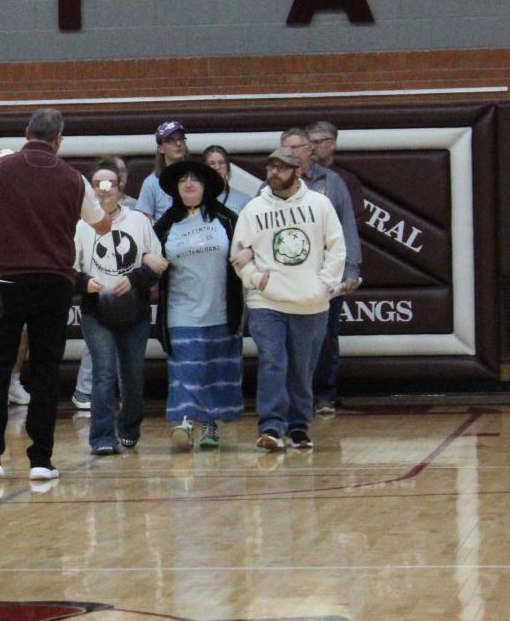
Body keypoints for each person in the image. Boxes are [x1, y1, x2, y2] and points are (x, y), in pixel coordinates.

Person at [0, 108, 108, 482]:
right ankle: (41, 459)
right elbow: (103, 226)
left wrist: (0, 232)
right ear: (59, 140)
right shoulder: (73, 178)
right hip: (55, 284)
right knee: (45, 370)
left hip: (6, 280)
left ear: (26, 132)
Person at [230, 144, 345, 451]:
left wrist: (324, 285)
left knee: (301, 367)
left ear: (298, 172)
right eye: (270, 167)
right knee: (272, 362)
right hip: (266, 302)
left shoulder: (319, 205)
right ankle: (270, 426)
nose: (273, 173)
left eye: (280, 168)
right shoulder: (255, 209)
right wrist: (256, 279)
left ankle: (298, 426)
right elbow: (239, 254)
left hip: (311, 302)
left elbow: (337, 247)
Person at [148, 157, 245, 451]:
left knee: (214, 371)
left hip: (221, 310)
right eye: (182, 180)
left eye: (195, 179)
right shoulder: (164, 227)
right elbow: (144, 252)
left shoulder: (227, 220)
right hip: (181, 312)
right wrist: (146, 258)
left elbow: (251, 245)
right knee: (186, 368)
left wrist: (249, 254)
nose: (188, 184)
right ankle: (185, 422)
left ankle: (211, 424)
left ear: (206, 187)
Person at [76, 159, 159, 456]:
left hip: (134, 312)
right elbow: (70, 270)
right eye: (97, 184)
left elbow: (157, 263)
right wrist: (85, 282)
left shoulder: (139, 222)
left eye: (109, 184)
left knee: (133, 375)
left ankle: (129, 427)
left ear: (120, 187)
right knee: (103, 373)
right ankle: (101, 436)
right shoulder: (80, 225)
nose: (103, 190)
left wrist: (135, 280)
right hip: (97, 312)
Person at [301, 122, 364, 415]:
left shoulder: (339, 181)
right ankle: (298, 393)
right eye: (307, 142)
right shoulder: (277, 183)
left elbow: (350, 226)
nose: (312, 147)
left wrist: (351, 268)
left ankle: (325, 393)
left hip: (328, 270)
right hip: (294, 269)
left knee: (326, 334)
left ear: (333, 143)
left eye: (318, 141)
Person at [135, 121, 190, 218]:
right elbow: (143, 222)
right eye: (170, 140)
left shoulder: (197, 176)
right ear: (160, 148)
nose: (178, 143)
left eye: (181, 139)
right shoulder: (151, 183)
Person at [202, 144, 242, 212]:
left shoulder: (243, 200)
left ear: (228, 167)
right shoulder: (196, 198)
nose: (217, 167)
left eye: (221, 163)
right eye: (212, 163)